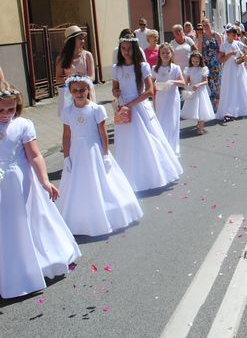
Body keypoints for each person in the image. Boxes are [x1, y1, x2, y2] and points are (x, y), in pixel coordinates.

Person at [0, 81, 80, 298]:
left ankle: (36, 263)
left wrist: (45, 181)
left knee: (23, 222)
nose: (6, 114)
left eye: (11, 109)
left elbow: (34, 155)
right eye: (1, 110)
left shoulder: (23, 124)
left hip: (20, 181)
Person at [57, 75, 143, 236]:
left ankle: (105, 213)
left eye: (82, 89)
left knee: (100, 181)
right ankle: (78, 217)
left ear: (89, 89)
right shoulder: (67, 111)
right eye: (75, 90)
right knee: (78, 184)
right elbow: (66, 135)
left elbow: (102, 134)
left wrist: (105, 155)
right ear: (70, 92)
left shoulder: (96, 109)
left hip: (94, 149)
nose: (79, 93)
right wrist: (67, 157)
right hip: (76, 151)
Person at [112, 36, 182, 191]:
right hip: (124, 108)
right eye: (123, 48)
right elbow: (114, 88)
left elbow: (150, 91)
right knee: (127, 142)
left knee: (148, 140)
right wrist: (116, 92)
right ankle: (130, 176)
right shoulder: (116, 68)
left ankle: (153, 172)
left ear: (135, 49)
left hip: (139, 106)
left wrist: (130, 105)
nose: (126, 52)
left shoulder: (143, 66)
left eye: (129, 48)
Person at [215, 25, 247, 121]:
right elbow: (221, 59)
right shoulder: (224, 45)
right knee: (230, 88)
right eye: (233, 33)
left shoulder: (238, 43)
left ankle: (242, 109)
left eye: (236, 33)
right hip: (229, 69)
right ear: (228, 34)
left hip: (239, 68)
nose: (235, 35)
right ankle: (229, 111)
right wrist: (230, 54)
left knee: (241, 87)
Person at [55, 25, 96, 117]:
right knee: (72, 122)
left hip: (86, 93)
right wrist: (70, 79)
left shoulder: (87, 55)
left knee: (88, 118)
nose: (83, 41)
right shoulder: (61, 58)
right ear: (72, 41)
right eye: (80, 39)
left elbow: (92, 76)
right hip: (69, 95)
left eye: (83, 38)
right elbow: (58, 79)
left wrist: (79, 80)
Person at [152, 43, 184, 155]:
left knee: (172, 122)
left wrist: (173, 82)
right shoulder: (155, 69)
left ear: (171, 54)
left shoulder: (176, 68)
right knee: (161, 122)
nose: (165, 55)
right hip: (160, 98)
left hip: (172, 98)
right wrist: (155, 86)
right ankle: (163, 148)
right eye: (163, 53)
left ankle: (173, 148)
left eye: (167, 52)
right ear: (159, 55)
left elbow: (183, 83)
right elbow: (150, 85)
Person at [181, 51, 215, 135]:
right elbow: (188, 80)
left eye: (197, 61)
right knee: (195, 108)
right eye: (193, 61)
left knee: (201, 108)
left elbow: (205, 81)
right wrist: (188, 83)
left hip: (200, 91)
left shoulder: (203, 69)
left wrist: (198, 84)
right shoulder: (189, 69)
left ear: (200, 61)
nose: (195, 63)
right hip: (193, 90)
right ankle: (198, 123)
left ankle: (201, 127)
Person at [197, 19, 223, 112]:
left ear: (210, 24)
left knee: (218, 83)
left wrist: (221, 61)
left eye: (207, 24)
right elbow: (199, 50)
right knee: (209, 83)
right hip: (206, 64)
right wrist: (200, 62)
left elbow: (221, 49)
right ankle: (212, 104)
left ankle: (219, 103)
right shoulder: (201, 37)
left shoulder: (216, 35)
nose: (205, 26)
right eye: (203, 25)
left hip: (216, 63)